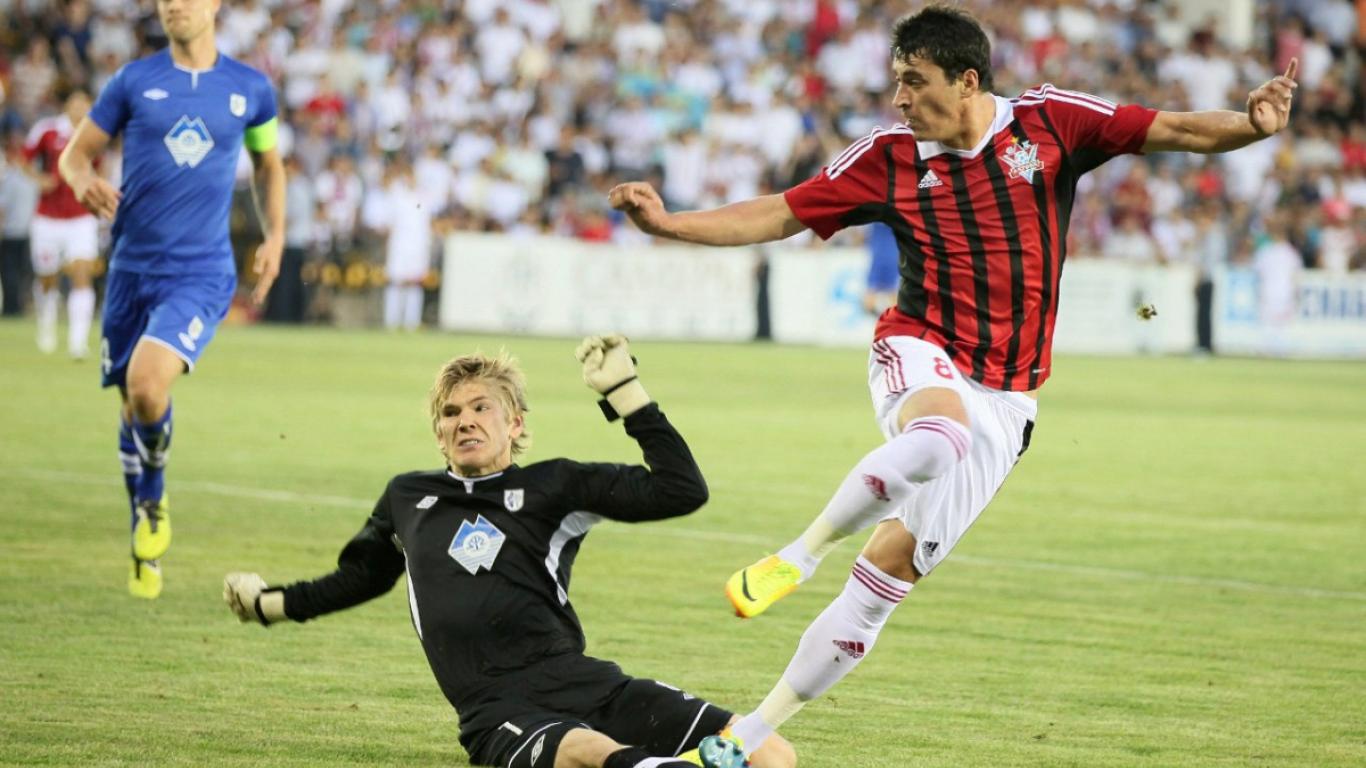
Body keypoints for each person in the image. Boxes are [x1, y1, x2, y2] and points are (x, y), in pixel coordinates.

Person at [608, 5, 1298, 759]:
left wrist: (1251, 125)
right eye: (896, 81)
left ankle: (744, 739)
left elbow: (1179, 131)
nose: (899, 98)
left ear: (967, 80)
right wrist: (670, 225)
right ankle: (800, 554)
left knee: (886, 578)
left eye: (914, 81)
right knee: (939, 434)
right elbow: (779, 214)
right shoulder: (887, 158)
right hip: (919, 347)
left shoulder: (1051, 122)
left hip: (1009, 399)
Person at [221, 337, 796, 768]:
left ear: (515, 423)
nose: (465, 421)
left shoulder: (554, 486)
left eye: (481, 408)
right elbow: (362, 577)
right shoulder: (407, 497)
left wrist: (627, 394)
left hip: (583, 682)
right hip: (497, 710)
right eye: (451, 413)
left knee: (770, 752)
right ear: (438, 432)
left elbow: (682, 489)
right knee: (588, 752)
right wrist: (271, 604)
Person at [59, 0, 285, 599]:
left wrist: (276, 235)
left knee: (146, 385)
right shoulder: (132, 81)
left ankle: (153, 496)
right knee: (132, 406)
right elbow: (74, 155)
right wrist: (82, 181)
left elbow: (269, 165)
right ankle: (144, 533)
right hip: (131, 271)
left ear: (215, 5)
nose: (174, 5)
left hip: (200, 273)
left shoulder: (250, 89)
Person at [23, 88, 100, 358]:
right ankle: (46, 320)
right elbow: (24, 158)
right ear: (67, 105)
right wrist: (39, 179)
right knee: (47, 277)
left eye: (85, 104)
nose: (80, 108)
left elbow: (100, 167)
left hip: (81, 217)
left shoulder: (96, 133)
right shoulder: (46, 130)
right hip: (48, 218)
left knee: (82, 273)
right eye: (76, 103)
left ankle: (78, 342)